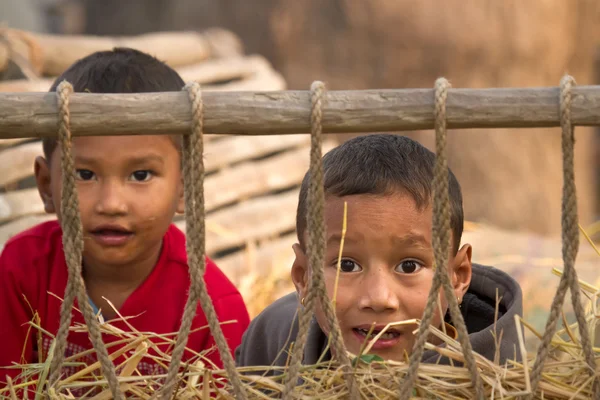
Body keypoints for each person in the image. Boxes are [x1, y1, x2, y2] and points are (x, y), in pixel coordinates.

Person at [0, 48, 250, 386]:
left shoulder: (215, 312)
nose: (112, 203)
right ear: (46, 185)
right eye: (84, 174)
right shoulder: (22, 272)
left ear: (184, 187)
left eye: (141, 175)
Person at [235, 134, 523, 370]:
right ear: (303, 277)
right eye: (347, 265)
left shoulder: (499, 376)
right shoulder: (272, 346)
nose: (378, 298)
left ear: (458, 277)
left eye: (409, 266)